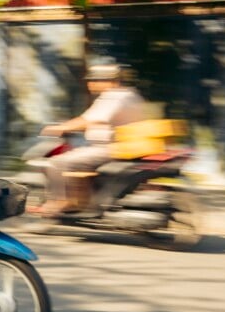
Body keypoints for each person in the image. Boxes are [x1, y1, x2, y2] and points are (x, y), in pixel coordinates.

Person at [39, 63, 148, 217]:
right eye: (91, 80)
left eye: (96, 80)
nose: (91, 84)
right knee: (75, 160)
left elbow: (91, 120)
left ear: (112, 81)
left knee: (58, 163)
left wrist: (61, 128)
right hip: (118, 147)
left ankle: (63, 201)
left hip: (110, 148)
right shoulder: (130, 95)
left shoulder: (115, 96)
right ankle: (84, 201)